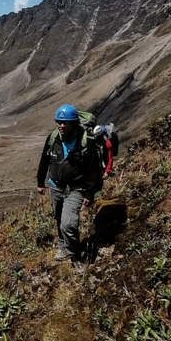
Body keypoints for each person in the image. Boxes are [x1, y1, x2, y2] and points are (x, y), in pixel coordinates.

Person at [36, 104, 103, 266]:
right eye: (59, 122)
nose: (61, 125)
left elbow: (94, 168)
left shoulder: (86, 142)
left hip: (76, 188)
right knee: (59, 218)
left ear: (74, 123)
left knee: (69, 223)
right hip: (55, 186)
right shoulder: (53, 138)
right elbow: (45, 160)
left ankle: (75, 256)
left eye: (65, 123)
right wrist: (40, 182)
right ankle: (62, 245)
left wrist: (89, 192)